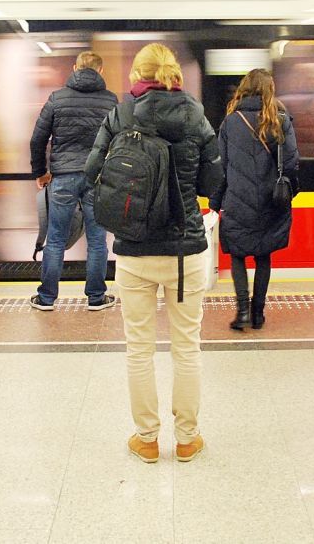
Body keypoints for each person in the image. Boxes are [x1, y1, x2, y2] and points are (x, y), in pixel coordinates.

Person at [84, 43, 223, 464]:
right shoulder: (195, 115)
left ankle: (146, 438)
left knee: (139, 348)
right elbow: (212, 181)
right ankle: (186, 438)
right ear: (175, 75)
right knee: (187, 348)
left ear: (137, 76)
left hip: (134, 249)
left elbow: (92, 173)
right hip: (185, 252)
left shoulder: (121, 115)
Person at [208, 69, 299, 330]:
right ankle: (258, 314)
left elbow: (221, 167)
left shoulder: (230, 122)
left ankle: (242, 312)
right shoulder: (280, 120)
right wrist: (291, 190)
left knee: (237, 255)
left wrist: (215, 203)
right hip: (272, 202)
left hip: (237, 200)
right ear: (269, 90)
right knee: (263, 255)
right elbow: (292, 162)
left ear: (244, 89)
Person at [28, 51, 118, 311]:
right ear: (100, 72)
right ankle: (96, 297)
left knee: (55, 238)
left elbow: (37, 139)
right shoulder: (111, 101)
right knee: (97, 239)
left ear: (75, 68)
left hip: (63, 177)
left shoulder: (57, 99)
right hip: (98, 177)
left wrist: (40, 172)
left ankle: (46, 298)